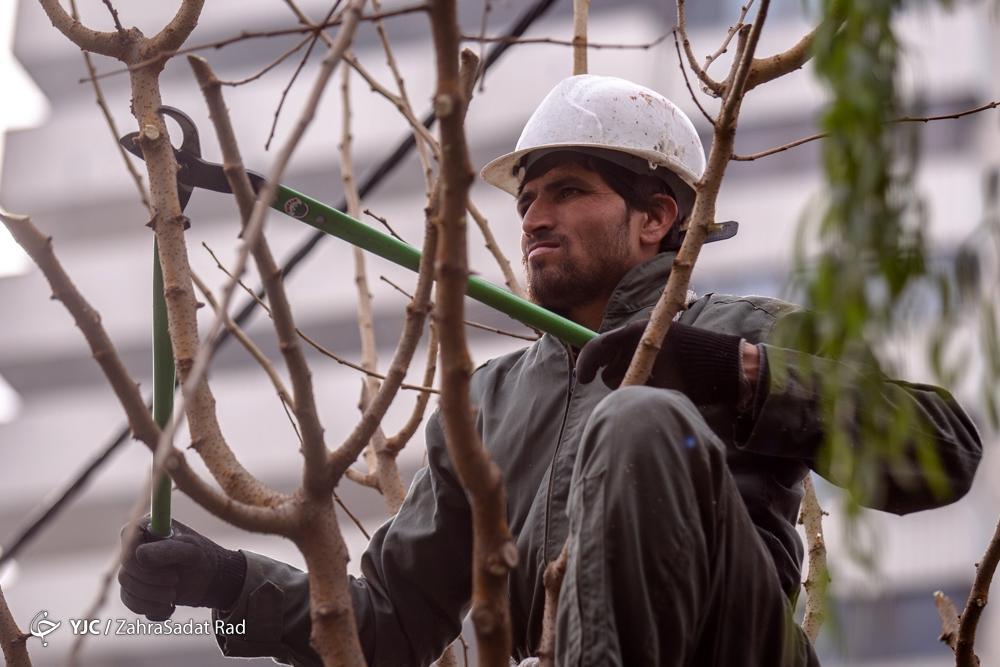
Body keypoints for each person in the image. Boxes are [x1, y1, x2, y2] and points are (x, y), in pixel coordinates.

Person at [118, 75, 983, 666]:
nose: (534, 215)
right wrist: (225, 583)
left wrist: (740, 375)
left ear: (656, 218)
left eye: (567, 190)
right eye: (527, 198)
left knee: (638, 420)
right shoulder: (488, 403)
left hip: (732, 644)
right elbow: (384, 623)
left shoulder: (741, 330)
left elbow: (942, 451)